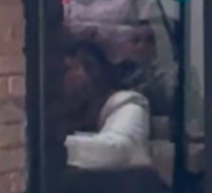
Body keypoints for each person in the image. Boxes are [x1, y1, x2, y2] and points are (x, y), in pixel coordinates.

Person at [62, 39, 153, 171]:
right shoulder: (61, 114)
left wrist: (54, 147)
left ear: (92, 70)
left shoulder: (128, 105)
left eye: (67, 69)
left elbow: (119, 149)